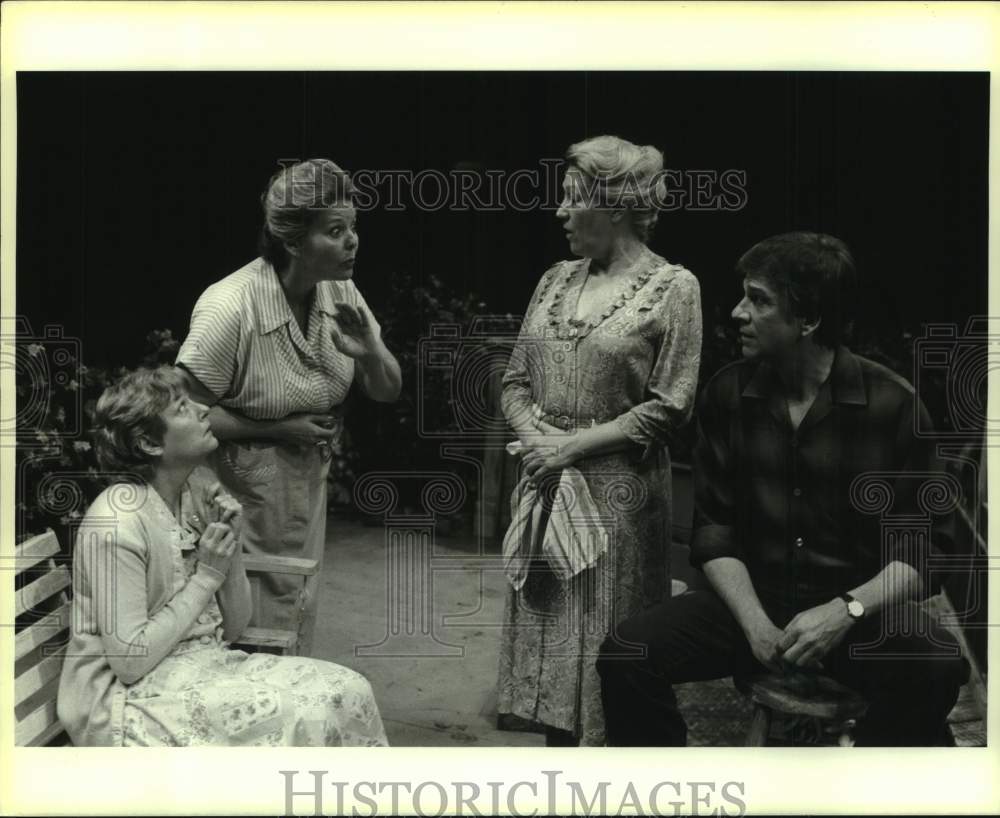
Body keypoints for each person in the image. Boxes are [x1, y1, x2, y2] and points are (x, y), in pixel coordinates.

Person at [597, 231, 969, 746]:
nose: (737, 313)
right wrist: (754, 625)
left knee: (937, 665)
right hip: (753, 604)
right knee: (627, 653)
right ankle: (672, 783)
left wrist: (844, 611)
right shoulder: (728, 394)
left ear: (808, 320)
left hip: (854, 615)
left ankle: (868, 779)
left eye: (759, 299)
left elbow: (927, 549)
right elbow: (715, 532)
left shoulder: (894, 405)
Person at [496, 135, 703, 746]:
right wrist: (539, 443)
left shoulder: (674, 287)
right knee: (551, 648)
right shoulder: (554, 279)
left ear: (615, 206)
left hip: (618, 501)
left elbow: (670, 407)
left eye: (572, 198)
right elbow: (514, 381)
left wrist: (570, 449)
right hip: (546, 485)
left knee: (608, 660)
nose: (560, 211)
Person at [57, 367, 388, 746]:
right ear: (149, 442)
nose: (203, 409)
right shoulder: (119, 521)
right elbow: (130, 661)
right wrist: (206, 576)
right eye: (182, 408)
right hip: (124, 700)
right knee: (304, 711)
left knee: (349, 689)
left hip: (200, 666)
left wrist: (231, 544)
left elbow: (234, 627)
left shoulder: (193, 495)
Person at [175, 158, 401, 656]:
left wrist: (371, 350)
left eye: (353, 227)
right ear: (294, 241)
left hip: (302, 491)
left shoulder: (340, 290)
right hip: (232, 499)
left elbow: (388, 389)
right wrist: (276, 428)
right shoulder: (232, 306)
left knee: (293, 615)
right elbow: (177, 418)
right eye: (335, 231)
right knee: (242, 630)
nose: (352, 241)